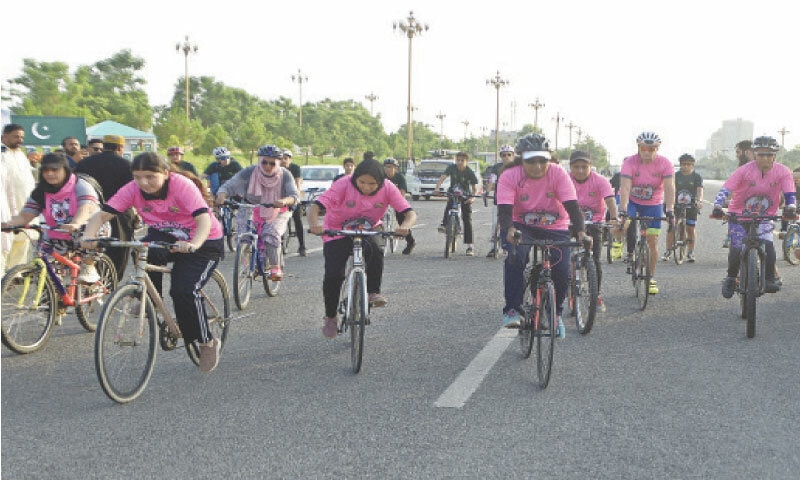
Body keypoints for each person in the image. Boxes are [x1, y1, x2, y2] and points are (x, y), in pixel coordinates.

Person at [81, 152, 224, 372]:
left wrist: (193, 243)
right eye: (137, 177)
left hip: (203, 240)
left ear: (165, 173)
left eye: (150, 176)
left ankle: (206, 341)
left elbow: (203, 218)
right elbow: (103, 215)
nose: (143, 183)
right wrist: (88, 237)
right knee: (145, 250)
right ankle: (152, 300)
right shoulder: (132, 189)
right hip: (165, 235)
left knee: (183, 290)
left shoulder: (181, 186)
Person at [307, 158, 417, 338]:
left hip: (370, 228)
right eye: (362, 182)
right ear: (355, 179)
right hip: (338, 230)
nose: (366, 187)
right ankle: (330, 316)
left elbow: (409, 213)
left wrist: (405, 226)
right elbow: (316, 207)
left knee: (375, 250)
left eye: (372, 184)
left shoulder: (388, 187)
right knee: (334, 275)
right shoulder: (343, 184)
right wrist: (314, 224)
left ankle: (373, 292)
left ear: (380, 182)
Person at [497, 134, 587, 339]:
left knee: (562, 270)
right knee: (515, 256)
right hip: (520, 223)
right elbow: (504, 211)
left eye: (542, 160)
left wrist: (581, 232)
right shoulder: (510, 175)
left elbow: (573, 207)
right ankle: (512, 309)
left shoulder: (558, 173)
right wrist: (509, 230)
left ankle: (555, 314)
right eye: (531, 161)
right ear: (521, 158)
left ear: (549, 159)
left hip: (555, 224)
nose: (537, 166)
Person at [711, 136, 796, 297]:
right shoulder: (744, 170)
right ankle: (730, 278)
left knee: (768, 244)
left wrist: (791, 207)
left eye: (769, 154)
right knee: (736, 248)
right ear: (755, 154)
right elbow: (726, 189)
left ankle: (769, 277)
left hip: (765, 215)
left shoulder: (783, 171)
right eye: (761, 154)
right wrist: (717, 205)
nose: (765, 158)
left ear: (774, 155)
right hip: (738, 214)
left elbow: (790, 193)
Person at [2, 153, 102, 281]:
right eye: (45, 170)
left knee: (89, 235)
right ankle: (53, 295)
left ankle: (89, 265)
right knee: (48, 272)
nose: (49, 174)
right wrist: (9, 224)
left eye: (55, 170)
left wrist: (76, 223)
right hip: (58, 233)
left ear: (65, 170)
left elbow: (86, 207)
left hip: (87, 227)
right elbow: (26, 215)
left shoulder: (80, 185)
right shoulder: (41, 191)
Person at [215, 145, 298, 280]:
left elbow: (294, 195)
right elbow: (230, 185)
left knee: (270, 233)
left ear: (278, 162)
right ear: (259, 161)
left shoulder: (285, 175)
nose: (267, 166)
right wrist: (222, 194)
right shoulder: (250, 171)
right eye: (264, 162)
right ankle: (248, 265)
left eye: (272, 163)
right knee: (243, 236)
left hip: (277, 209)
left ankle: (275, 267)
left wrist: (284, 201)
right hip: (250, 205)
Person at [618, 131, 675, 295]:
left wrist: (670, 209)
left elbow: (670, 187)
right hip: (631, 201)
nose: (647, 152)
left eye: (652, 148)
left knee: (652, 240)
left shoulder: (665, 163)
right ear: (638, 147)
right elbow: (626, 187)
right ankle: (621, 246)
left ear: (657, 149)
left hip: (653, 203)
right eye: (644, 148)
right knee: (623, 223)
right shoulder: (630, 162)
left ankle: (650, 277)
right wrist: (623, 210)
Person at [75, 134, 135, 281]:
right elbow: (133, 191)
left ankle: (89, 278)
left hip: (90, 209)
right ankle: (112, 281)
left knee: (90, 246)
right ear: (120, 147)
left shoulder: (84, 163)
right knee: (118, 248)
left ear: (104, 145)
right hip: (119, 213)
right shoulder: (126, 165)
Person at [568, 150, 618, 312]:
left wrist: (614, 217)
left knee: (594, 259)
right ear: (571, 167)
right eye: (576, 167)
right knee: (563, 258)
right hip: (568, 222)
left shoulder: (600, 180)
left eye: (584, 166)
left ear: (591, 166)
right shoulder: (565, 179)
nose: (580, 170)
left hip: (594, 223)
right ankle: (569, 292)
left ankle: (595, 293)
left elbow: (610, 200)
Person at [1, 124, 37, 275]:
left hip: (24, 207)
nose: (20, 140)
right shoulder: (2, 153)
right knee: (5, 243)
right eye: (16, 136)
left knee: (23, 239)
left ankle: (15, 274)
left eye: (22, 137)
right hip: (6, 207)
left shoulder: (21, 154)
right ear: (5, 136)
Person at [434, 151, 479, 256]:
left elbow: (474, 188)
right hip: (453, 192)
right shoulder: (452, 168)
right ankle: (444, 224)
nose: (459, 162)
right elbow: (442, 177)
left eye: (462, 161)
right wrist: (437, 188)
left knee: (467, 218)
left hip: (465, 195)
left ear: (467, 162)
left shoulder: (469, 172)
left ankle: (469, 246)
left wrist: (472, 198)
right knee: (449, 206)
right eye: (457, 160)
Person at [661, 154, 703, 262]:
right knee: (672, 227)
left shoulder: (696, 177)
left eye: (688, 164)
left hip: (691, 206)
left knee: (691, 228)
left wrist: (699, 201)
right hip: (676, 206)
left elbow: (699, 190)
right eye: (684, 164)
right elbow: (669, 189)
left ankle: (690, 252)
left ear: (692, 165)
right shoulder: (675, 176)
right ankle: (668, 250)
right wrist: (666, 202)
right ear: (680, 165)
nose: (686, 166)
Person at [485, 144, 516, 257]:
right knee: (495, 224)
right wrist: (488, 191)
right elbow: (492, 181)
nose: (506, 157)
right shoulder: (496, 167)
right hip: (499, 200)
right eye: (503, 155)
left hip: (515, 201)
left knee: (512, 224)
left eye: (509, 155)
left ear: (513, 155)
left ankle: (509, 246)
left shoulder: (517, 168)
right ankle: (493, 247)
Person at [383, 157, 416, 254]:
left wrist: (398, 204)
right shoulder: (381, 178)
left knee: (402, 219)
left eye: (390, 167)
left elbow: (402, 193)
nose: (388, 169)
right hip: (384, 201)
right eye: (386, 167)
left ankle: (410, 242)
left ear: (396, 168)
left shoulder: (400, 178)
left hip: (396, 201)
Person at [280, 148, 306, 256]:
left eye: (285, 158)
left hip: (293, 195)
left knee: (297, 220)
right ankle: (279, 245)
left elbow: (298, 183)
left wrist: (297, 197)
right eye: (281, 158)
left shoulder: (295, 168)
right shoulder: (276, 168)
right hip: (281, 197)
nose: (283, 161)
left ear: (290, 159)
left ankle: (302, 246)